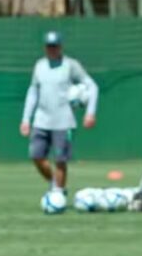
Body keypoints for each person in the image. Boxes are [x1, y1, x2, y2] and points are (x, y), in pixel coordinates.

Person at [19, 30, 98, 194]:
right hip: (41, 120)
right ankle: (55, 184)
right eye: (49, 46)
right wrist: (26, 119)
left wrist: (90, 112)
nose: (52, 49)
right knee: (36, 156)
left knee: (60, 160)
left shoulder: (70, 65)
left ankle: (58, 194)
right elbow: (33, 92)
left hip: (64, 122)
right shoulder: (40, 66)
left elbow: (92, 86)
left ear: (60, 47)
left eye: (55, 46)